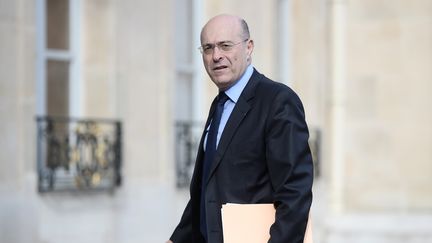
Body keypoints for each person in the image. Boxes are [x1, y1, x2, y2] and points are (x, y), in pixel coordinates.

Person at [168, 14, 313, 243]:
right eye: (208, 48)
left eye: (225, 45)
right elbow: (207, 190)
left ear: (249, 47)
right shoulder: (220, 105)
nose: (216, 56)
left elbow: (295, 194)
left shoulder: (278, 101)